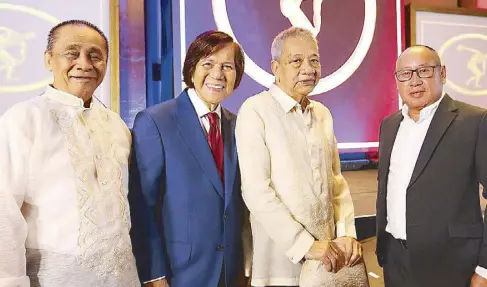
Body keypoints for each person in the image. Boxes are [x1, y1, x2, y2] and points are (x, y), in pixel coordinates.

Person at [0, 20, 139, 286]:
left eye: (95, 56)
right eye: (72, 53)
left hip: (123, 278)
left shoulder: (117, 126)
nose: (84, 64)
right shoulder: (23, 119)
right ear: (48, 59)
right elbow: (3, 211)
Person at [235, 27, 368, 287]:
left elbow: (336, 182)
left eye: (314, 60)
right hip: (281, 260)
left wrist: (346, 235)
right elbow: (256, 191)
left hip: (329, 258)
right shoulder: (255, 110)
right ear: (275, 67)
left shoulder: (323, 113)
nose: (308, 68)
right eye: (296, 61)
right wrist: (305, 245)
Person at [129, 30, 250, 287]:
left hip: (230, 272)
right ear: (191, 68)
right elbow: (143, 206)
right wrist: (154, 274)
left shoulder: (238, 125)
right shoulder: (156, 121)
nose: (218, 74)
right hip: (178, 273)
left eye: (227, 66)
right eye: (208, 64)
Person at [376, 45, 487, 287]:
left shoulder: (475, 121)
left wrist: (485, 268)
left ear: (442, 74)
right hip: (395, 261)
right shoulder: (389, 125)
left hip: (453, 265)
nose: (414, 81)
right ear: (397, 81)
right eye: (405, 74)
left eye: (424, 71)